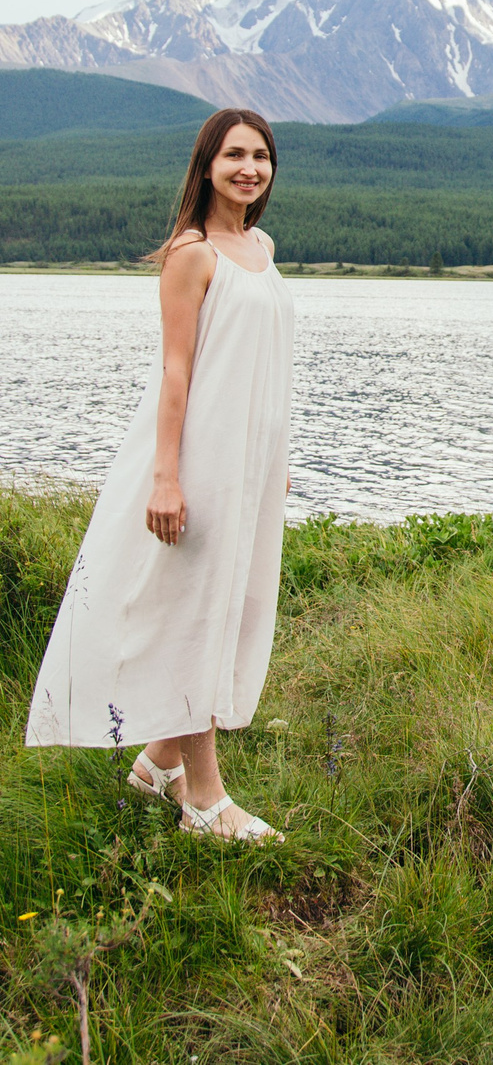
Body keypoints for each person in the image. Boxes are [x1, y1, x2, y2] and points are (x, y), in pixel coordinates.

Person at [26, 109, 294, 841]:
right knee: (195, 614)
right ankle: (204, 801)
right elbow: (177, 372)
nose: (249, 167)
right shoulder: (191, 253)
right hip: (200, 459)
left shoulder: (261, 246)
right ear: (207, 165)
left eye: (261, 155)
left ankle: (156, 763)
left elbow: (264, 361)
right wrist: (166, 478)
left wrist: (277, 459)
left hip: (248, 462)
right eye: (234, 154)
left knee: (231, 602)